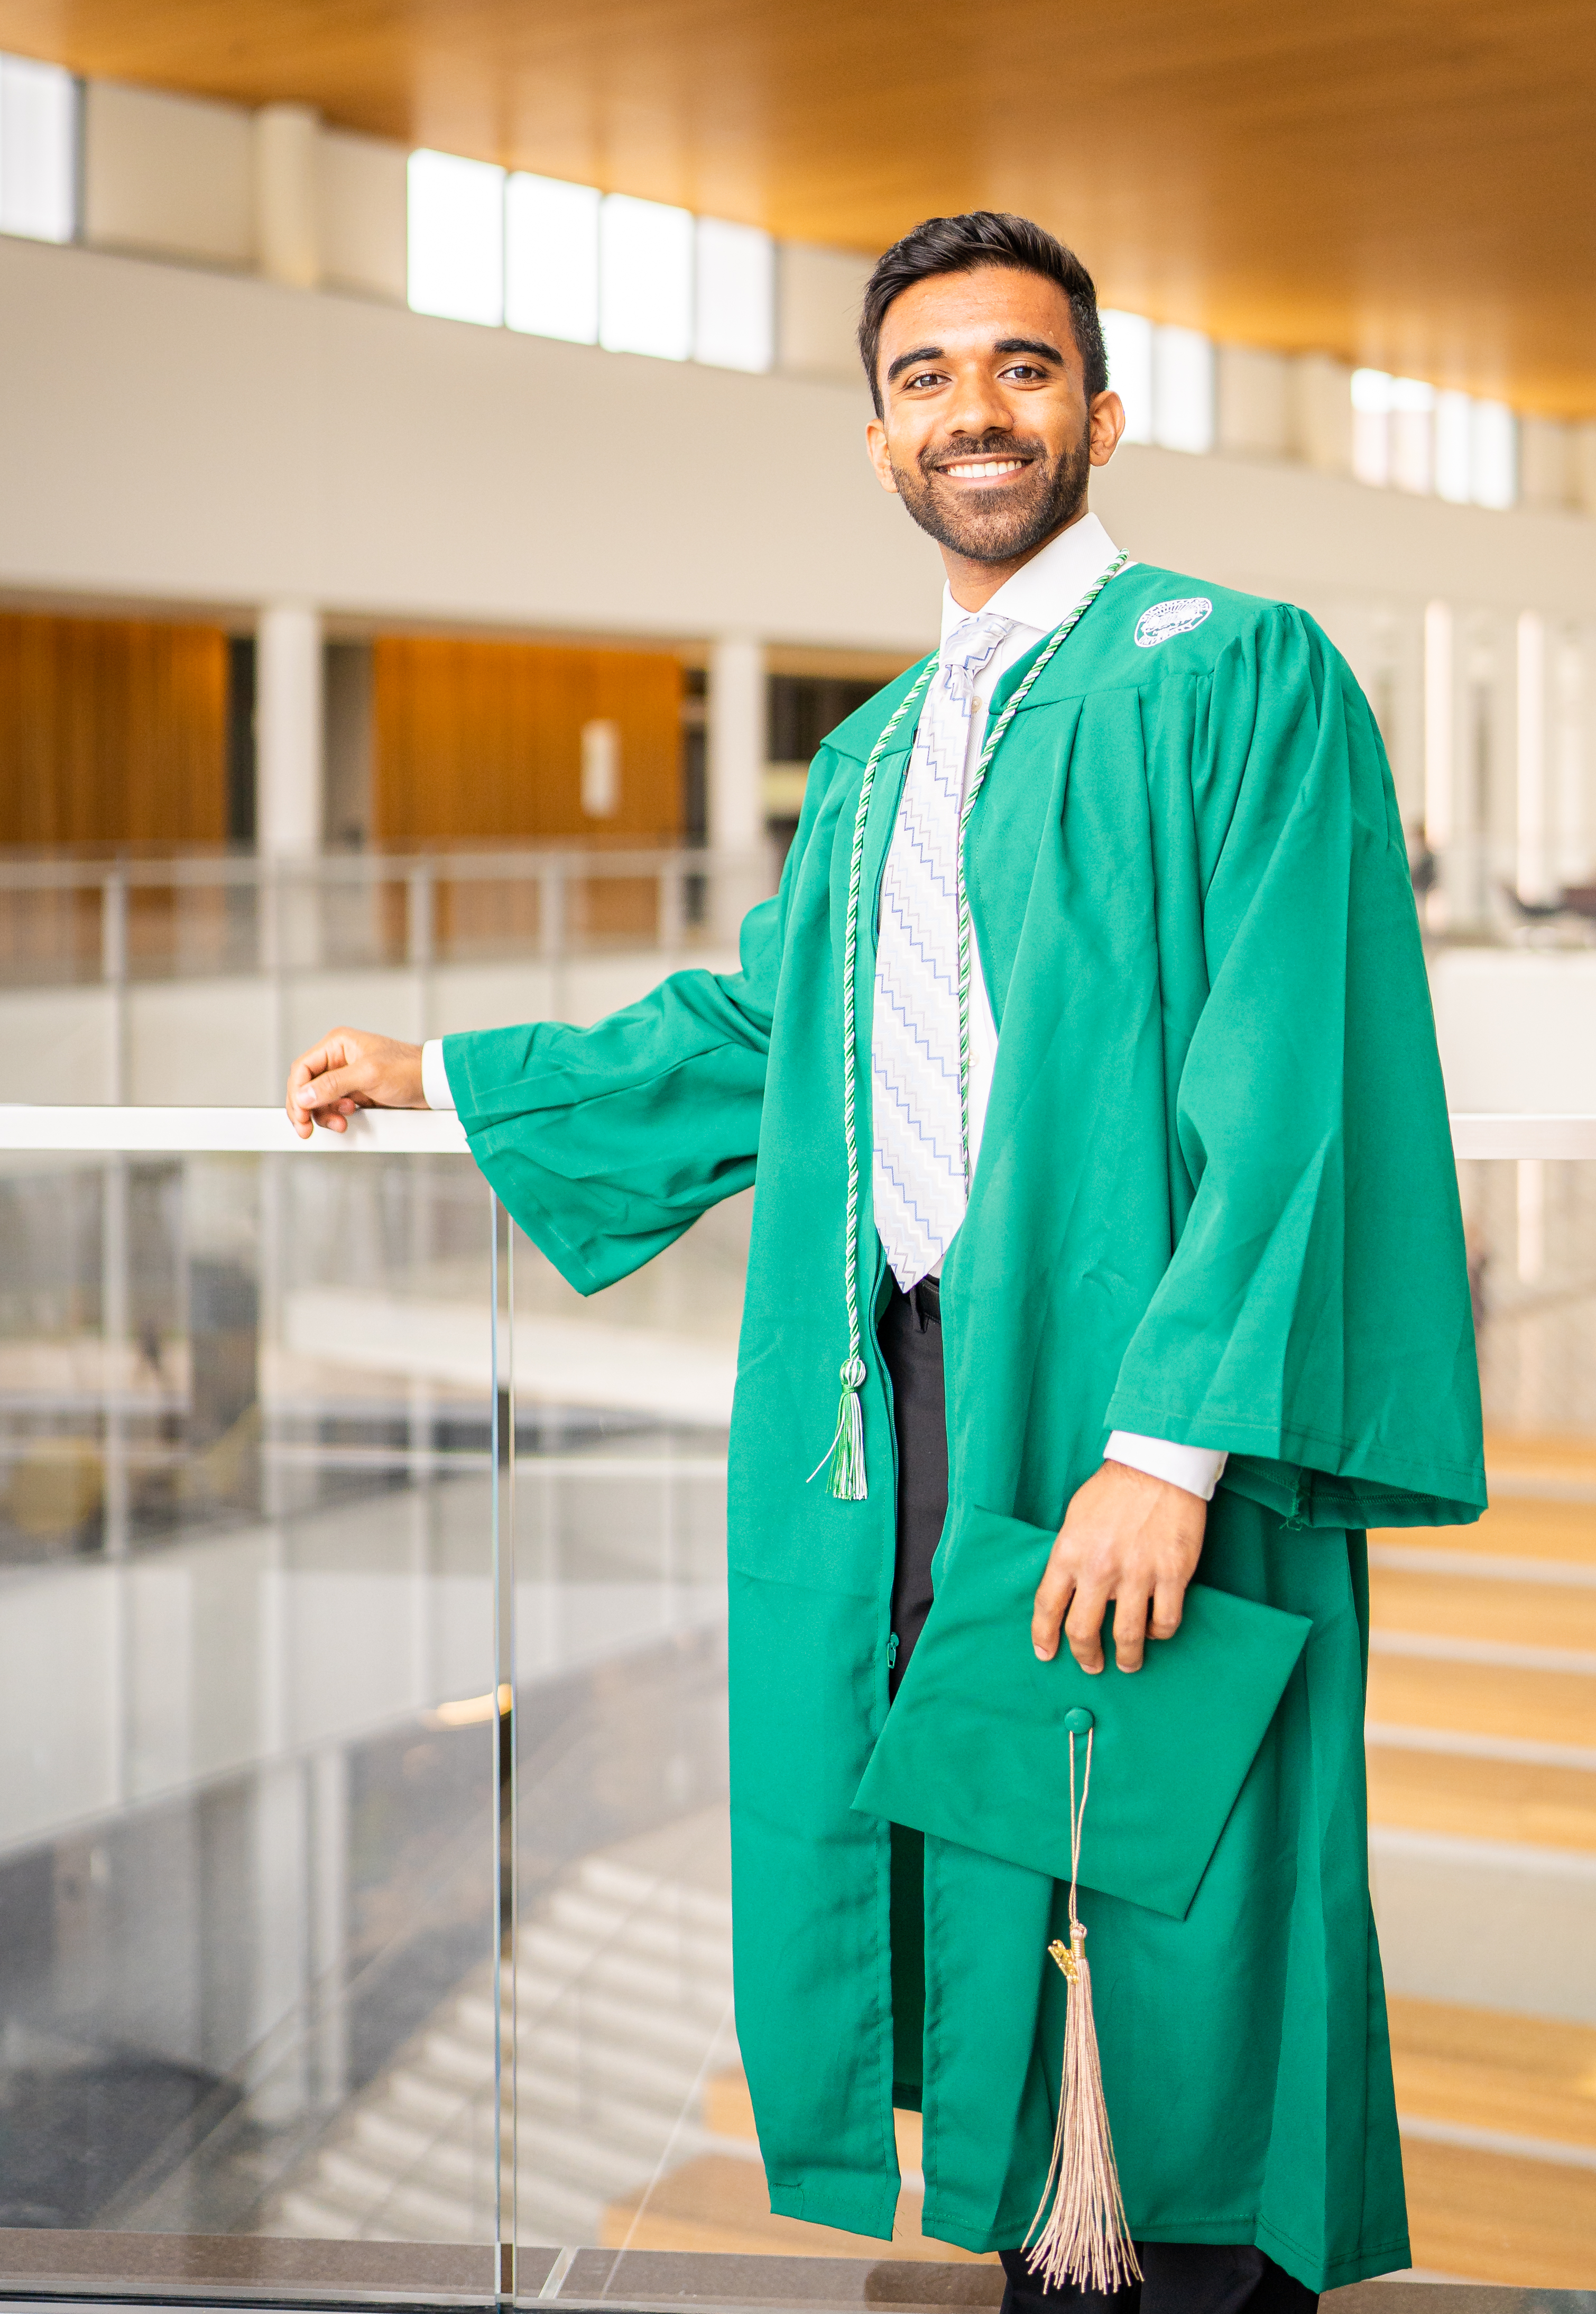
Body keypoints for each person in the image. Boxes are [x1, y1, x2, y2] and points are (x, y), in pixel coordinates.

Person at [286, 212, 1484, 2311]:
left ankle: (1178, 2267)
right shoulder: (867, 762)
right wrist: (455, 1073)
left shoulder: (1230, 669)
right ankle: (1052, 2246)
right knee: (979, 1857)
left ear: (1098, 413)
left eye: (1021, 368)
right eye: (926, 376)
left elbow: (1286, 1072)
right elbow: (771, 1034)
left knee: (1183, 1880)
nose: (976, 410)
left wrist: (1171, 1445)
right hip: (913, 1401)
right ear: (877, 440)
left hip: (1128, 1401)